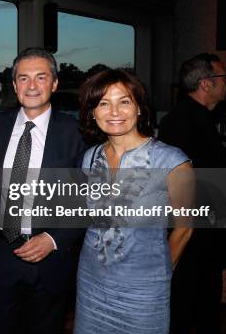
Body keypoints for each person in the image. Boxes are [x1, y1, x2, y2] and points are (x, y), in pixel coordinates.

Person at [0, 47, 86, 333]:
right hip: (2, 255)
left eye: (41, 77)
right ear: (14, 85)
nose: (32, 86)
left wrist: (53, 239)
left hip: (50, 259)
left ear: (55, 83)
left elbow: (88, 199)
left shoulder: (77, 132)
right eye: (23, 78)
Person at [74, 69, 194, 334]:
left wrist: (159, 276)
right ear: (93, 113)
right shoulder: (90, 157)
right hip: (91, 284)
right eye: (103, 103)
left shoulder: (172, 161)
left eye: (124, 101)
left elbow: (185, 227)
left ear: (139, 108)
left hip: (143, 293)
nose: (114, 111)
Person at [158, 53, 226, 334]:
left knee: (201, 310)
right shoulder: (182, 122)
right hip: (193, 240)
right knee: (186, 311)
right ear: (206, 83)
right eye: (224, 77)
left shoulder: (198, 117)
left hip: (204, 238)